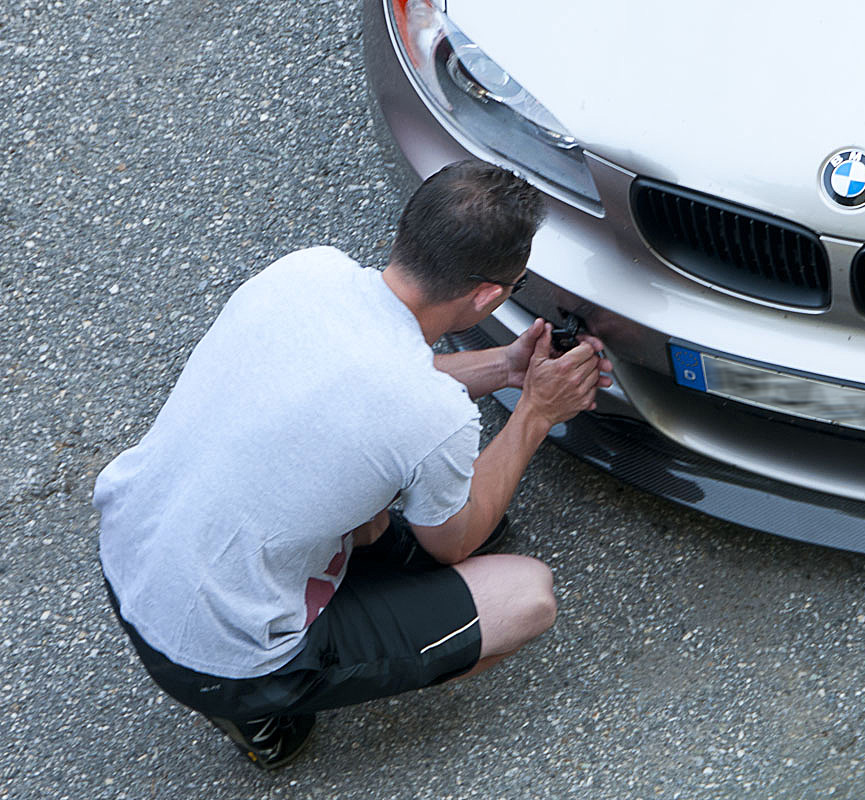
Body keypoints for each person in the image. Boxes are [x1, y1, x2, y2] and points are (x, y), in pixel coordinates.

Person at [93, 160, 612, 769]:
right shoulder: (429, 416)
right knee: (527, 595)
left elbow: (376, 388)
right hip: (221, 655)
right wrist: (534, 414)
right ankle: (259, 716)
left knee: (373, 504)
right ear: (488, 295)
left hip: (131, 551)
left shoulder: (307, 272)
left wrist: (506, 369)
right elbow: (454, 541)